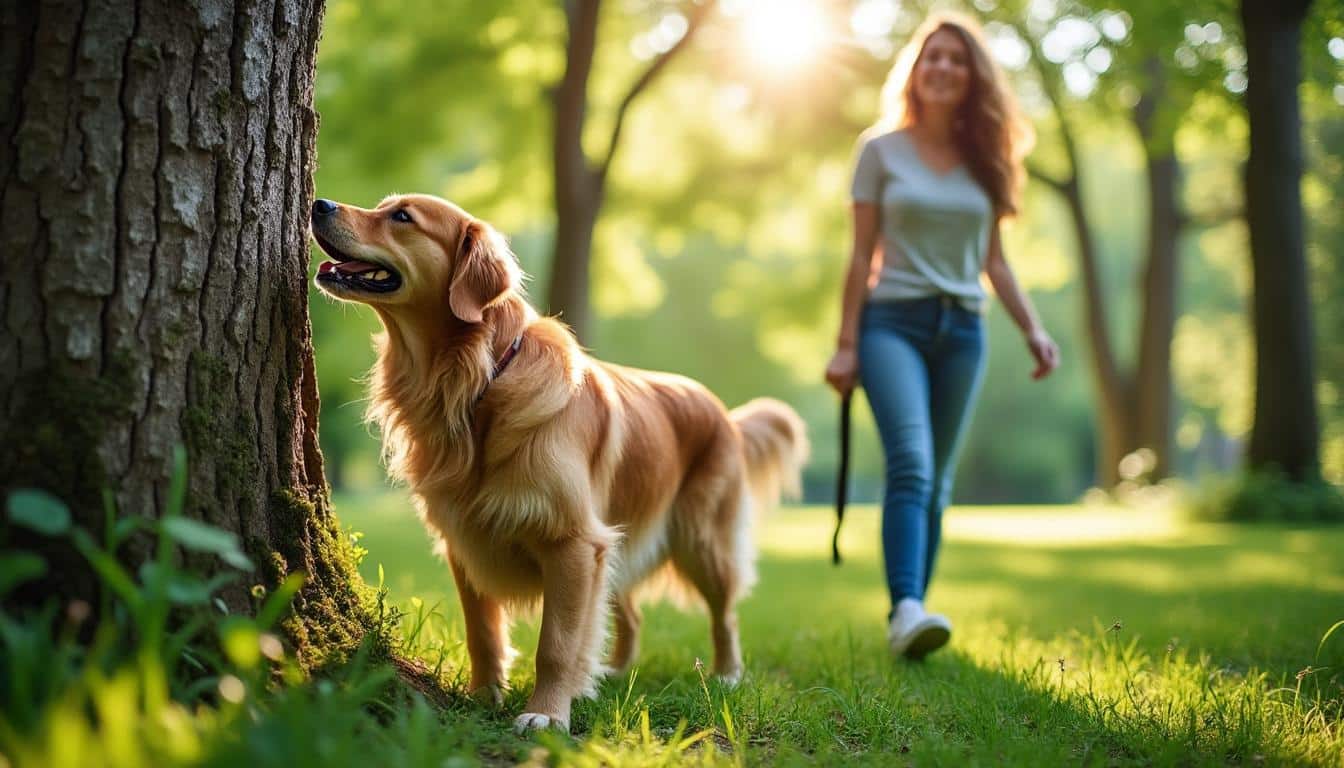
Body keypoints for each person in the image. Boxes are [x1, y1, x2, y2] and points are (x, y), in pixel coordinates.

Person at [824, 12, 1060, 660]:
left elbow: (996, 261)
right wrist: (846, 343)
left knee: (940, 481)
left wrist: (1034, 330)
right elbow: (859, 256)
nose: (944, 68)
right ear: (915, 69)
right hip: (890, 323)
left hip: (964, 329)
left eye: (957, 59)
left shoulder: (988, 158)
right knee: (912, 463)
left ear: (972, 76)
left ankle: (913, 615)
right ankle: (906, 607)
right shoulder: (880, 150)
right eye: (933, 57)